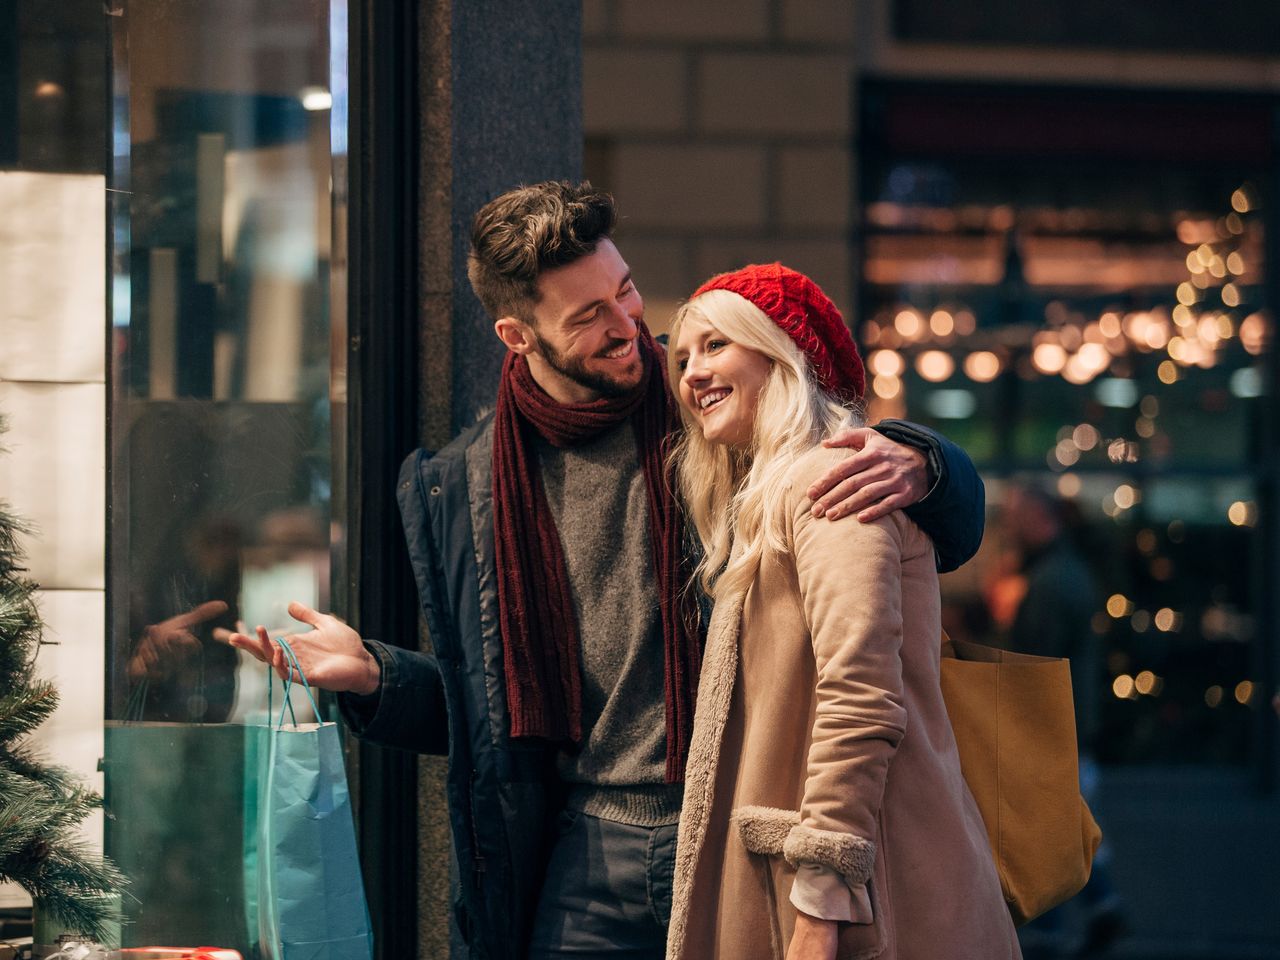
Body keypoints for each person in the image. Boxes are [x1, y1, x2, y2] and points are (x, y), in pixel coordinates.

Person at [230, 182, 988, 960]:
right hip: (585, 849)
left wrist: (928, 462)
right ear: (517, 335)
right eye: (587, 317)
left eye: (624, 293)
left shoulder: (709, 409)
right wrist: (376, 678)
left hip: (732, 821)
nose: (628, 326)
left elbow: (883, 528)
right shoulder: (465, 483)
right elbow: (493, 714)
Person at [664, 264, 1019, 960]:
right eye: (681, 358)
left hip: (862, 896)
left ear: (778, 351)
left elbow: (859, 693)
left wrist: (821, 904)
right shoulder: (775, 492)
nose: (691, 374)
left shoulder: (830, 480)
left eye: (715, 345)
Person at [1000, 483, 1125, 959]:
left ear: (1038, 517)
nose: (1009, 527)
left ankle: (1048, 933)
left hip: (1051, 726)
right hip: (1066, 723)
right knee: (1066, 825)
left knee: (1046, 834)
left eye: (1015, 515)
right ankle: (1103, 908)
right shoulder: (1064, 572)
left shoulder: (1050, 581)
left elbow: (1031, 661)